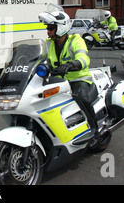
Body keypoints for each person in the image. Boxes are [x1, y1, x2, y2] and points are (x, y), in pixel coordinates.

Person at [39, 9, 100, 141]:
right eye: (48, 28)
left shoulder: (75, 40)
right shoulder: (48, 44)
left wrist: (70, 65)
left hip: (78, 79)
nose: (48, 31)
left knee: (81, 97)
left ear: (61, 28)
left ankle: (95, 130)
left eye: (51, 28)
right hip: (58, 81)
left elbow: (84, 59)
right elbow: (39, 59)